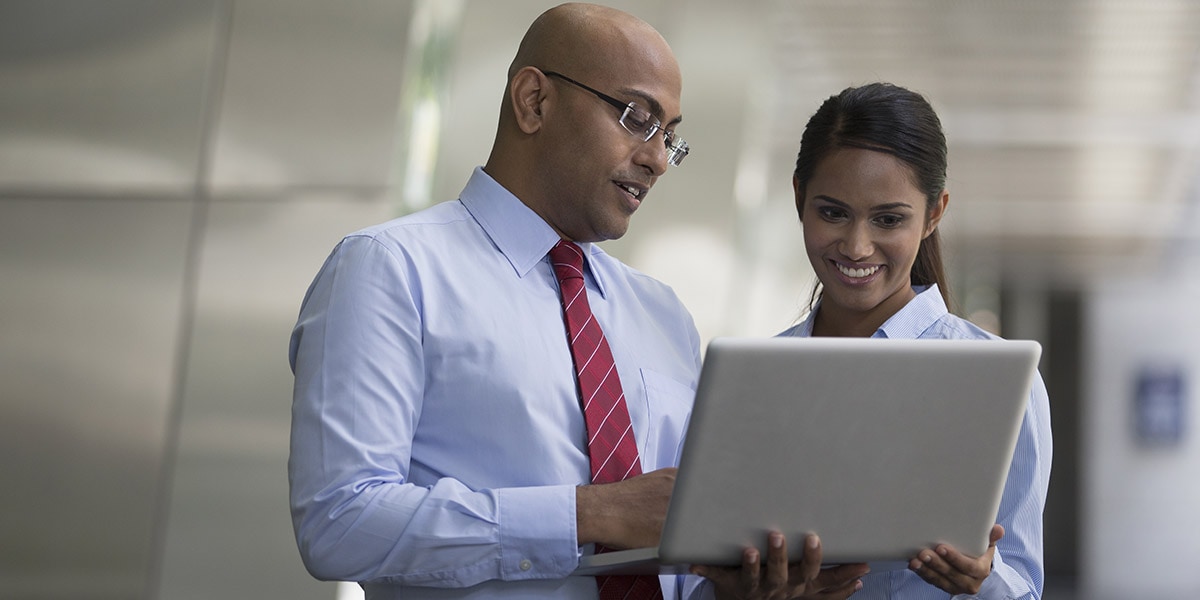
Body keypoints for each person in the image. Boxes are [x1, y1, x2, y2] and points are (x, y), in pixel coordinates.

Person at [288, 3, 865, 599]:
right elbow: (340, 521)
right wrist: (589, 513)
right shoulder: (392, 269)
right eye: (637, 117)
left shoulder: (662, 314)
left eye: (669, 135)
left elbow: (671, 564)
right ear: (534, 101)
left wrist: (742, 590)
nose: (658, 158)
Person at [779, 82, 1053, 599]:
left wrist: (983, 581)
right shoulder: (756, 378)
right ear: (799, 198)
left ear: (933, 214)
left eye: (888, 219)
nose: (857, 246)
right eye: (833, 212)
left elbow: (1023, 585)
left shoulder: (997, 381)